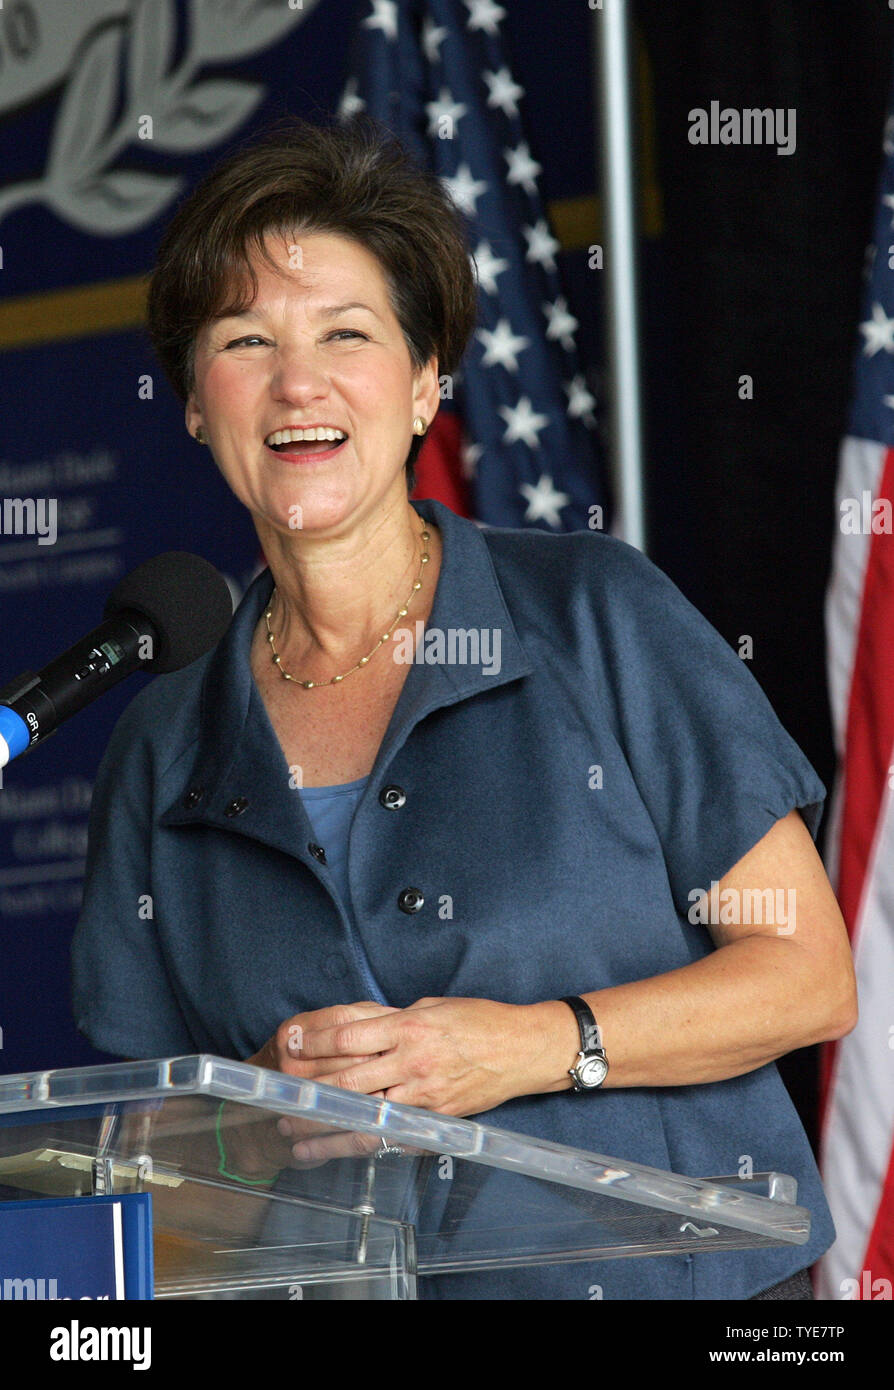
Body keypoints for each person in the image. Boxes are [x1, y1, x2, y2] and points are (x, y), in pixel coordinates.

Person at [71, 113, 857, 1301]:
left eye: (348, 332)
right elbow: (141, 1166)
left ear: (428, 377)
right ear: (194, 400)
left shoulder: (597, 612)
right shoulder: (159, 740)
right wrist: (254, 1111)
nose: (298, 382)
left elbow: (808, 976)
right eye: (245, 341)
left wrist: (530, 1044)